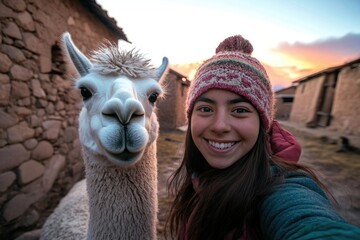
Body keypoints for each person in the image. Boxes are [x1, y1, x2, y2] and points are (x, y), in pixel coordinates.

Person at [166, 35, 360, 239]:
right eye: (205, 108)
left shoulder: (282, 187)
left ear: (262, 123)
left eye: (239, 110)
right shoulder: (198, 180)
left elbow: (307, 221)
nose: (220, 126)